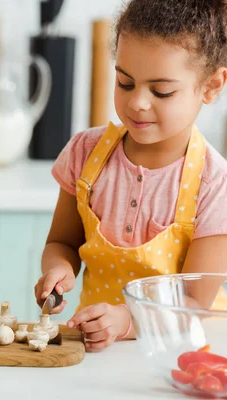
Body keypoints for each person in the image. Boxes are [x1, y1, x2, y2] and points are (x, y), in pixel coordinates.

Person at [34, 0, 227, 351]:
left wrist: (126, 320)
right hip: (98, 347)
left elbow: (195, 302)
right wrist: (59, 269)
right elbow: (62, 243)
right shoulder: (86, 153)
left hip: (182, 354)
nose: (137, 102)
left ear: (211, 86)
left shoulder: (214, 184)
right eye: (125, 82)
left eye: (161, 91)